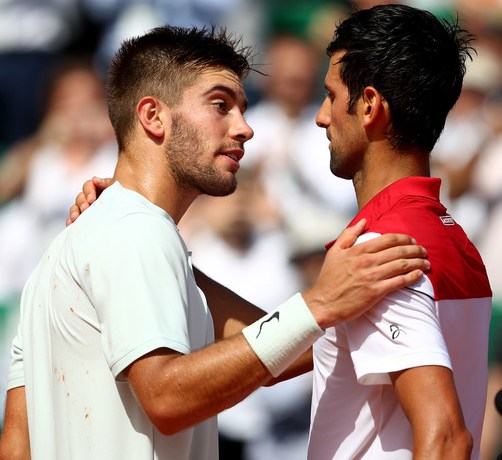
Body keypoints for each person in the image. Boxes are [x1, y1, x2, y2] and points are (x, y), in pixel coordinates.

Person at [0, 25, 429, 459]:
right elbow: (166, 399)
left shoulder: (77, 247)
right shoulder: (135, 231)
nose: (245, 129)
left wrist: (338, 309)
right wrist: (319, 303)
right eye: (220, 105)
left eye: (243, 109)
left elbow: (16, 443)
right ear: (153, 116)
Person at [307, 4, 491, 459]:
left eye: (330, 96)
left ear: (369, 105)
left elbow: (446, 439)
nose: (322, 116)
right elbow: (278, 352)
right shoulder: (455, 240)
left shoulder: (379, 252)